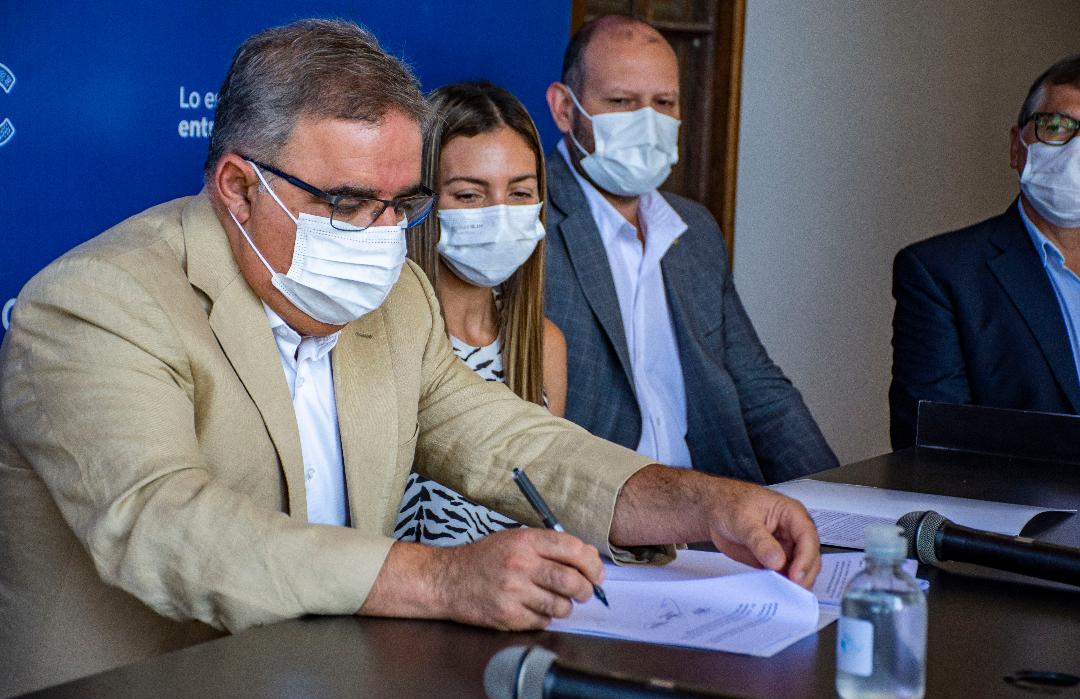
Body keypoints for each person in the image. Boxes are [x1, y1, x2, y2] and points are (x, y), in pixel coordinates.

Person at [0, 19, 821, 699]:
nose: (384, 234)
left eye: (404, 203)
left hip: (334, 685)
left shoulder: (395, 302)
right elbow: (167, 525)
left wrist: (701, 503)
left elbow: (509, 440)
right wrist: (441, 580)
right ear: (239, 188)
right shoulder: (97, 302)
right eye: (348, 203)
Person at [543, 15, 837, 483]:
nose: (648, 121)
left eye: (664, 102)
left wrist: (836, 501)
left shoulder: (694, 229)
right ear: (564, 108)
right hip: (594, 504)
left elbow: (759, 388)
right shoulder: (525, 221)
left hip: (708, 501)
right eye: (621, 102)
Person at [394, 81, 565, 546]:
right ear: (423, 200)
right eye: (469, 195)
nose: (499, 214)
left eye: (519, 193)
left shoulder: (543, 345)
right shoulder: (380, 337)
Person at [890, 55, 1080, 449]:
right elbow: (934, 447)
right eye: (1056, 127)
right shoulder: (941, 274)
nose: (1075, 153)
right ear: (1016, 146)